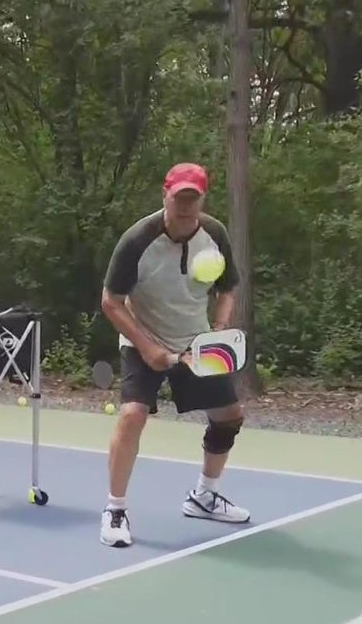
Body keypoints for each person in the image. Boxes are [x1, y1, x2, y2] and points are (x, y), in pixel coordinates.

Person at [97, 162, 250, 548]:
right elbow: (111, 302)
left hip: (196, 343)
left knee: (230, 416)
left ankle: (204, 496)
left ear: (202, 198)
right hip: (141, 339)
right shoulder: (137, 240)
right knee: (132, 415)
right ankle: (115, 510)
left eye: (192, 198)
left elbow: (229, 287)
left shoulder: (214, 233)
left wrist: (218, 329)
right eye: (178, 197)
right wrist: (148, 347)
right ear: (165, 195)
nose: (185, 205)